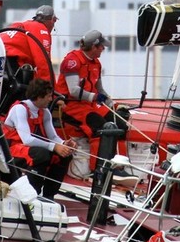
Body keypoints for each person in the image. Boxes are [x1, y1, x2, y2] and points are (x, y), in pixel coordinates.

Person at [55, 29, 137, 188]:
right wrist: (94, 97)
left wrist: (108, 100)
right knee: (101, 130)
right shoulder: (72, 61)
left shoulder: (96, 63)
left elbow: (99, 89)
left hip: (89, 105)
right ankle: (97, 170)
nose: (103, 49)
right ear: (93, 47)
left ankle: (116, 165)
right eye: (101, 47)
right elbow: (73, 91)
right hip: (72, 106)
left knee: (119, 125)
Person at [2, 78, 75, 201]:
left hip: (30, 149)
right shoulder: (20, 109)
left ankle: (49, 195)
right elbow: (27, 140)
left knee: (64, 155)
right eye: (48, 96)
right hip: (11, 149)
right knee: (41, 155)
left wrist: (63, 144)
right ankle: (32, 195)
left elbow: (52, 137)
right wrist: (54, 146)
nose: (51, 99)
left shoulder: (45, 112)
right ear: (38, 97)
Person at [1, 5, 58, 83]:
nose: (53, 24)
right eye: (54, 20)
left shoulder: (21, 25)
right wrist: (49, 87)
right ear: (51, 20)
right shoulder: (41, 29)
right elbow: (43, 61)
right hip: (13, 61)